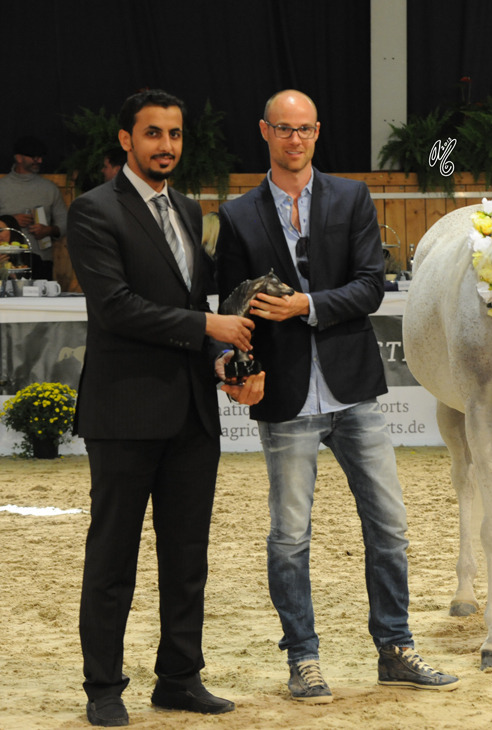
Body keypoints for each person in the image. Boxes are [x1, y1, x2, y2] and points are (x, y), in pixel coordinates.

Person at [214, 89, 459, 703]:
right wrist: (237, 365)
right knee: (289, 537)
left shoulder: (350, 196)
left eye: (304, 130)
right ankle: (303, 659)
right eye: (283, 129)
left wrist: (308, 305)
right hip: (285, 396)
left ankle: (396, 649)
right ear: (264, 132)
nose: (294, 139)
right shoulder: (239, 215)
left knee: (390, 528)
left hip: (354, 392)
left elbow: (372, 286)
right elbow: (231, 308)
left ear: (317, 132)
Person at [68, 89, 265, 727]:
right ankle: (104, 688)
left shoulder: (185, 207)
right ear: (126, 140)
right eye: (153, 134)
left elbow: (191, 302)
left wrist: (219, 362)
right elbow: (117, 308)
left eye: (175, 135)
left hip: (190, 415)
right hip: (123, 415)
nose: (166, 146)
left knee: (186, 558)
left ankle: (179, 678)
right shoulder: (94, 211)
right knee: (112, 559)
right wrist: (208, 325)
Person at [0, 135, 67, 280]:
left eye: (41, 157)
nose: (40, 161)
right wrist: (10, 221)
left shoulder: (50, 188)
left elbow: (65, 222)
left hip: (41, 261)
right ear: (19, 158)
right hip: (4, 260)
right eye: (34, 157)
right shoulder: (1, 187)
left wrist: (49, 230)